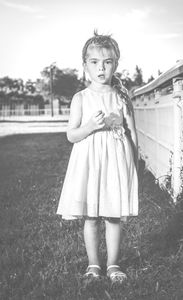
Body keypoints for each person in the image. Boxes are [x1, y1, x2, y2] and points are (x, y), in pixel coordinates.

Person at [57, 31, 139, 283]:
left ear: (115, 63)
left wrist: (134, 166)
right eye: (94, 62)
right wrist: (90, 126)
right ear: (85, 65)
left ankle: (113, 264)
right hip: (90, 165)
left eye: (107, 62)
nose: (101, 68)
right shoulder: (81, 98)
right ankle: (94, 264)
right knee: (91, 216)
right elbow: (71, 135)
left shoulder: (122, 96)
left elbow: (133, 134)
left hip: (116, 163)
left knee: (113, 215)